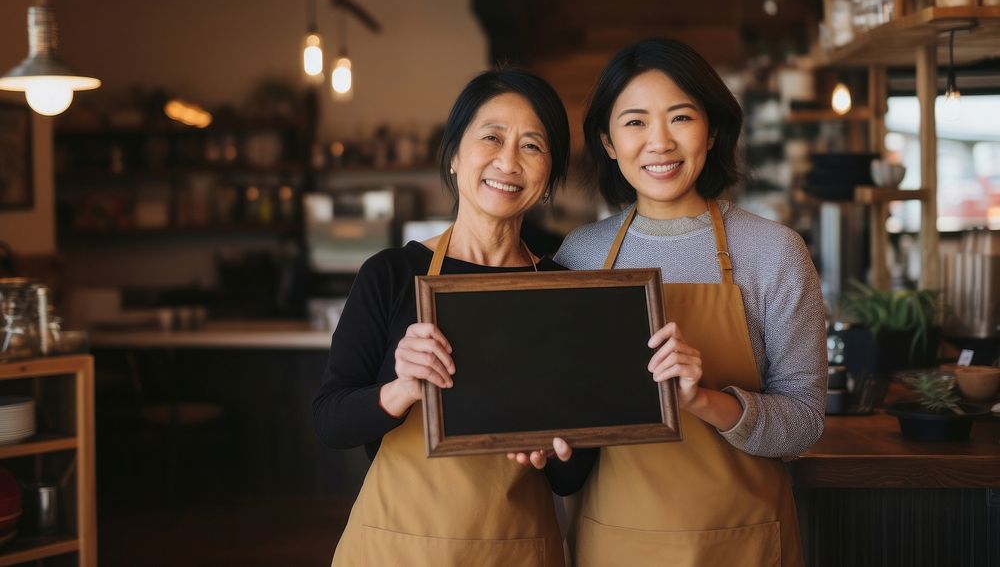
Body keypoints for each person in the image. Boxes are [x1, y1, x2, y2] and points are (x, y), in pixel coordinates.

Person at [551, 38, 826, 566]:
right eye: (634, 122)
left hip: (742, 541)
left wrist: (703, 400)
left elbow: (805, 422)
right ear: (608, 142)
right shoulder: (579, 256)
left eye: (680, 117)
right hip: (615, 542)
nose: (659, 142)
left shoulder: (774, 252)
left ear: (713, 129)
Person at [313, 67, 573, 566]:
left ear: (547, 179)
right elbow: (330, 421)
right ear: (454, 155)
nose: (508, 161)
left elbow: (571, 476)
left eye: (532, 146)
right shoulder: (391, 273)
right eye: (491, 137)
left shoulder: (562, 288)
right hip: (396, 549)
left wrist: (559, 448)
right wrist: (401, 389)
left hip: (516, 550)